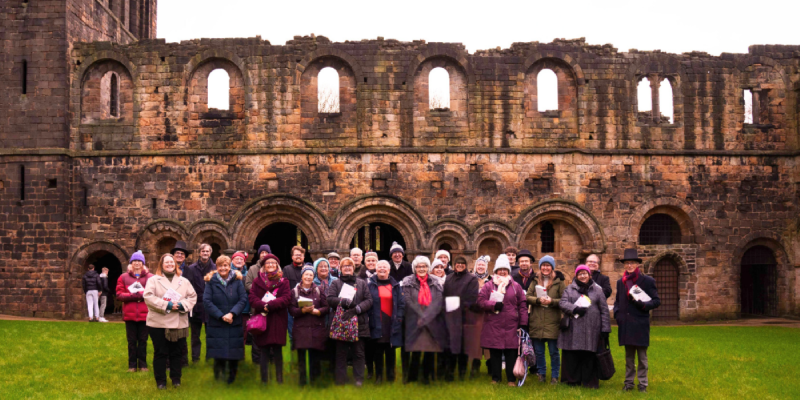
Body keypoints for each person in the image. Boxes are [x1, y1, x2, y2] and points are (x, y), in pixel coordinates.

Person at [143, 253, 197, 389]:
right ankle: (161, 381)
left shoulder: (183, 281)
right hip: (158, 323)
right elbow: (148, 297)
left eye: (172, 262)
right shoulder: (154, 280)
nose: (169, 264)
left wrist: (181, 305)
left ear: (175, 265)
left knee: (177, 353)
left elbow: (192, 296)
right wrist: (166, 305)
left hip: (179, 323)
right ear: (161, 264)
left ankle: (176, 379)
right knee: (160, 353)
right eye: (166, 262)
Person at [615, 249, 661, 393]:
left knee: (642, 357)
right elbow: (618, 301)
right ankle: (628, 383)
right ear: (624, 265)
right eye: (627, 263)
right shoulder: (620, 282)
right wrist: (618, 314)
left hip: (640, 323)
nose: (629, 265)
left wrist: (643, 305)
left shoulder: (647, 281)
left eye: (632, 263)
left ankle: (642, 384)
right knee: (629, 358)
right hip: (626, 324)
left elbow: (656, 301)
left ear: (637, 264)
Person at [558, 264, 610, 389]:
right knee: (572, 356)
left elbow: (604, 309)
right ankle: (572, 380)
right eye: (580, 274)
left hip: (592, 329)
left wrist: (605, 328)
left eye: (584, 273)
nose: (582, 276)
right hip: (573, 328)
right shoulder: (569, 289)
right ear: (576, 275)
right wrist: (574, 308)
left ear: (589, 274)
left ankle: (589, 382)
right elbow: (562, 303)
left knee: (589, 355)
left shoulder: (598, 290)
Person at [477, 254, 526, 386]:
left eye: (505, 269)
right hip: (494, 324)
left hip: (511, 324)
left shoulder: (516, 286)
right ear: (496, 271)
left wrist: (523, 322)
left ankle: (511, 379)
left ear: (508, 271)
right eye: (500, 269)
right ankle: (496, 378)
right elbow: (480, 302)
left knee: (511, 352)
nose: (502, 271)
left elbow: (522, 304)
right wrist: (493, 305)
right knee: (495, 353)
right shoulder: (489, 286)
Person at [326, 257, 372, 386]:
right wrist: (342, 301)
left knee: (358, 352)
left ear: (353, 269)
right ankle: (341, 380)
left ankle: (359, 379)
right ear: (340, 268)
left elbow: (369, 300)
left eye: (350, 266)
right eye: (344, 266)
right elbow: (330, 299)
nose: (347, 268)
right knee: (341, 353)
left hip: (359, 323)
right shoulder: (336, 283)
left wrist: (357, 308)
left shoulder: (362, 283)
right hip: (342, 322)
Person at [401, 256, 447, 384]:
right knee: (415, 349)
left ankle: (427, 376)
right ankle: (412, 376)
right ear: (415, 268)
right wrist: (421, 315)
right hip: (413, 319)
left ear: (428, 268)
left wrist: (427, 317)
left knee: (429, 349)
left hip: (431, 319)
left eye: (424, 266)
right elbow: (408, 300)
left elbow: (438, 300)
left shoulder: (436, 282)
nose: (422, 268)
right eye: (419, 266)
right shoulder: (408, 281)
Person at [203, 255, 248, 384]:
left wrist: (232, 313)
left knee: (234, 352)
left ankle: (232, 378)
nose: (223, 268)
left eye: (226, 265)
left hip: (233, 321)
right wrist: (221, 315)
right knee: (218, 351)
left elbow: (243, 299)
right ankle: (218, 377)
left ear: (229, 266)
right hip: (217, 322)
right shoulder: (210, 281)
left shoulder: (237, 280)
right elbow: (207, 301)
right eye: (220, 266)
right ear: (216, 267)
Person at [249, 254, 291, 384]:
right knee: (264, 350)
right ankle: (264, 380)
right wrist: (262, 306)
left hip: (278, 319)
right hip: (263, 318)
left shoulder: (284, 281)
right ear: (263, 266)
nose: (271, 265)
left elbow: (286, 298)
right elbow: (252, 297)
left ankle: (279, 379)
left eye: (273, 263)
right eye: (268, 263)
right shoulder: (257, 281)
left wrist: (271, 305)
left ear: (277, 266)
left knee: (277, 350)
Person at [525, 255, 566, 384]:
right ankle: (541, 374)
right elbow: (527, 296)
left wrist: (552, 301)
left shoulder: (559, 281)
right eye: (543, 265)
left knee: (554, 352)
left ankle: (554, 376)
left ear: (552, 267)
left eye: (548, 265)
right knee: (539, 352)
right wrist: (538, 300)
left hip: (552, 321)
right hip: (536, 321)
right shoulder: (535, 280)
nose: (545, 268)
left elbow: (564, 300)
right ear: (540, 267)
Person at [288, 265, 329, 386]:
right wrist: (303, 311)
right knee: (301, 357)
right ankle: (302, 382)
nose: (308, 277)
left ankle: (315, 382)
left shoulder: (319, 290)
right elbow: (291, 310)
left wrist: (318, 311)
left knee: (315, 356)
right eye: (306, 274)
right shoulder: (294, 291)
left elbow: (326, 307)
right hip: (300, 328)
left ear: (313, 277)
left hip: (316, 327)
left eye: (311, 275)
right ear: (302, 276)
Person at [368, 260, 404, 384]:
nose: (382, 269)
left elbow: (400, 304)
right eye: (379, 267)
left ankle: (390, 375)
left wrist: (399, 318)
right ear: (376, 270)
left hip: (391, 321)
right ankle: (378, 376)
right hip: (376, 321)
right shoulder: (370, 285)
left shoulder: (396, 285)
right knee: (377, 350)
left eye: (385, 267)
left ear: (389, 270)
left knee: (390, 349)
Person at [443, 256, 479, 381]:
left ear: (466, 265)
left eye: (462, 263)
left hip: (465, 316)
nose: (459, 265)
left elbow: (472, 297)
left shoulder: (472, 279)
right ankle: (450, 372)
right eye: (457, 263)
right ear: (454, 264)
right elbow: (444, 294)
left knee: (463, 346)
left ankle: (462, 373)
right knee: (451, 345)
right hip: (450, 317)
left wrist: (458, 304)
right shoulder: (448, 278)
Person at [116, 250, 152, 372]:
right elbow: (119, 295)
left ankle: (143, 365)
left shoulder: (150, 277)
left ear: (143, 263)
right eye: (134, 261)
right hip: (130, 315)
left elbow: (152, 293)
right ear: (131, 263)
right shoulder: (123, 277)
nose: (137, 263)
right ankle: (132, 365)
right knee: (131, 341)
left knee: (143, 341)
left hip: (144, 315)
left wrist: (140, 294)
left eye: (139, 261)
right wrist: (133, 296)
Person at [182, 243, 216, 363]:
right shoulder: (191, 268)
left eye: (207, 251)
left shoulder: (215, 269)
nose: (205, 253)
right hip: (195, 306)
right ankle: (195, 358)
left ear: (210, 253)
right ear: (199, 252)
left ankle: (210, 358)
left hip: (210, 306)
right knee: (195, 335)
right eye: (203, 251)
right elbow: (187, 286)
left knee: (210, 334)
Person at [388, 242, 413, 374]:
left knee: (405, 339)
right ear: (391, 255)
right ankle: (391, 371)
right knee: (390, 340)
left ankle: (406, 370)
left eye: (400, 253)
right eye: (394, 253)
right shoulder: (388, 266)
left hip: (405, 304)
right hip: (391, 304)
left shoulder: (408, 266)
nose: (397, 255)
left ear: (403, 254)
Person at [244, 245, 271, 366]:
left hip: (270, 306)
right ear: (259, 255)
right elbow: (248, 284)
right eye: (262, 252)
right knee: (256, 331)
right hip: (256, 305)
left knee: (270, 332)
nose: (264, 254)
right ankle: (256, 359)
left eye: (266, 252)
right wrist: (260, 292)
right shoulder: (253, 269)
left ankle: (270, 358)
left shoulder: (273, 267)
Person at [465, 255, 491, 377]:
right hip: (474, 314)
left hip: (488, 315)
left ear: (486, 267)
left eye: (483, 265)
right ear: (475, 266)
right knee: (474, 341)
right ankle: (474, 367)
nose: (480, 267)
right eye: (478, 265)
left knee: (489, 340)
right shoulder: (470, 279)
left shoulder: (491, 280)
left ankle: (491, 366)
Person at [359, 251, 379, 379]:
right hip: (364, 314)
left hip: (378, 314)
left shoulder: (382, 276)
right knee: (367, 345)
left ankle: (379, 372)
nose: (371, 263)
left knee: (378, 344)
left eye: (373, 261)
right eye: (369, 261)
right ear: (365, 263)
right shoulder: (360, 278)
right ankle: (370, 371)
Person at [283, 246, 306, 343]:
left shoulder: (308, 269)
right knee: (292, 333)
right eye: (296, 255)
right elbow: (284, 287)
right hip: (291, 306)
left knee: (305, 333)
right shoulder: (287, 269)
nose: (298, 257)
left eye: (300, 255)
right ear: (292, 257)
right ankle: (295, 356)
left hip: (306, 305)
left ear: (303, 257)